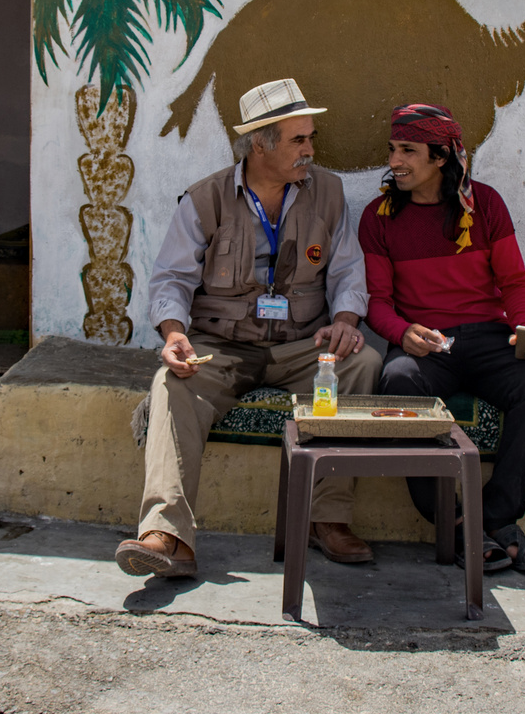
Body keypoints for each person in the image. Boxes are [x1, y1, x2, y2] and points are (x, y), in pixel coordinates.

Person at [116, 78, 382, 579]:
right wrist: (175, 335)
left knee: (361, 363)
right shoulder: (205, 199)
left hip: (304, 344)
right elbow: (170, 279)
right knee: (171, 384)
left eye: (311, 137)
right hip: (222, 348)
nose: (310, 149)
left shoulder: (328, 191)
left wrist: (346, 321)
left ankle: (326, 518)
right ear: (260, 144)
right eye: (298, 140)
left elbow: (347, 269)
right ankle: (168, 535)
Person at [357, 103, 525, 573]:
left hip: (489, 338)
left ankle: (496, 517)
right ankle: (451, 524)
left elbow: (514, 283)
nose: (395, 161)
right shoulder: (379, 217)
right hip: (428, 346)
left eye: (408, 151)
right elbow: (378, 301)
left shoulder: (485, 204)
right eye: (392, 150)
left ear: (442, 157)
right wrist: (401, 332)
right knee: (399, 383)